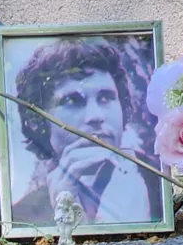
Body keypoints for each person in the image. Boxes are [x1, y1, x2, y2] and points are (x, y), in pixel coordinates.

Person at [10, 37, 159, 226]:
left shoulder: (159, 185)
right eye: (72, 101)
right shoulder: (23, 219)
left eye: (105, 98)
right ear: (38, 120)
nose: (95, 116)